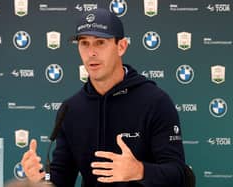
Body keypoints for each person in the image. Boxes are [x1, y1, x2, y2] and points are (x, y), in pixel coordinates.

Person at [21, 8, 186, 187]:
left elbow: (179, 176)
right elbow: (61, 179)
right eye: (84, 43)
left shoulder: (155, 102)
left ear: (121, 46)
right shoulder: (71, 109)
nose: (91, 53)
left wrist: (139, 171)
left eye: (100, 42)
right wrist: (39, 179)